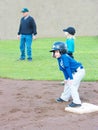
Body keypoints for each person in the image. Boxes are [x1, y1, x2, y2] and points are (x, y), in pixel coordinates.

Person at [50, 41, 85, 107]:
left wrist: (71, 79)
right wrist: (66, 79)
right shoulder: (59, 58)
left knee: (72, 85)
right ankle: (64, 98)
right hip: (73, 72)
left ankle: (77, 102)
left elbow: (67, 68)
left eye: (57, 52)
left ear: (62, 51)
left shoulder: (64, 57)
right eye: (54, 52)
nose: (55, 53)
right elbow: (64, 70)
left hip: (79, 71)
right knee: (67, 83)